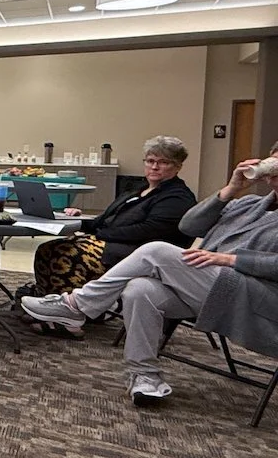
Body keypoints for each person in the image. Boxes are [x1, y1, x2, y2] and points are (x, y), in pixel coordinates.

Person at [21, 147, 278, 407]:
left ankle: (75, 305)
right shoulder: (247, 204)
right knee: (140, 289)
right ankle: (145, 376)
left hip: (258, 300)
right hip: (213, 289)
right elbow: (189, 226)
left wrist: (231, 259)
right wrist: (230, 189)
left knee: (155, 250)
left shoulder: (177, 195)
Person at [26, 135, 196, 320]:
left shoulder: (177, 197)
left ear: (177, 166)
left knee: (66, 254)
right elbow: (106, 219)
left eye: (163, 162)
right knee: (47, 249)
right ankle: (48, 305)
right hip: (113, 242)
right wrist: (80, 221)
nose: (154, 167)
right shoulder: (138, 190)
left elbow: (147, 230)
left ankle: (72, 315)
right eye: (150, 161)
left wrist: (101, 234)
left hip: (139, 254)